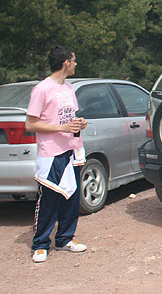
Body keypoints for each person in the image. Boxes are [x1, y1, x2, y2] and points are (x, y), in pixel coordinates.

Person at [25, 45, 88, 263]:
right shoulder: (42, 89)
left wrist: (80, 123)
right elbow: (31, 124)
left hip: (72, 149)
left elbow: (69, 118)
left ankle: (65, 239)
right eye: (74, 60)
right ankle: (40, 244)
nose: (76, 64)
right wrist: (60, 128)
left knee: (71, 196)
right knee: (49, 198)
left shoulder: (69, 88)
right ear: (65, 63)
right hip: (51, 153)